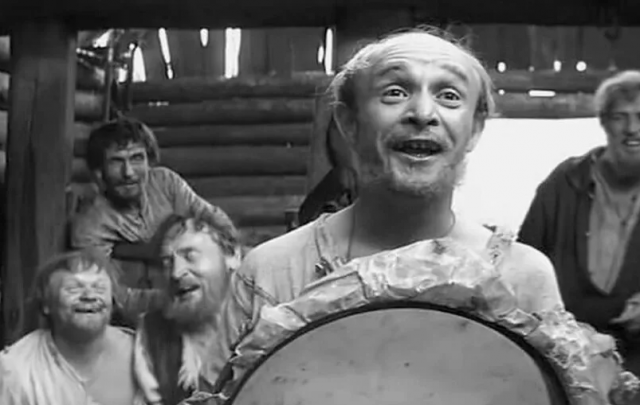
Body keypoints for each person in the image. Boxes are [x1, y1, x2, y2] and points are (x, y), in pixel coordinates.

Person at [213, 27, 575, 380]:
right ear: (349, 122)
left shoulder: (521, 278)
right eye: (395, 92)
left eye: (449, 96)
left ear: (475, 128)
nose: (423, 112)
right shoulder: (273, 274)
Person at [518, 70, 640, 377]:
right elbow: (522, 264)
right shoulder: (566, 182)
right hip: (564, 355)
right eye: (620, 117)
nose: (632, 129)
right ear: (604, 122)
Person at [69, 117, 237, 324]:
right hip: (144, 319)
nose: (128, 173)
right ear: (99, 172)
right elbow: (111, 295)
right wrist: (182, 296)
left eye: (137, 158)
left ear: (149, 161)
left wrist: (231, 261)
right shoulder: (90, 225)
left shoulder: (165, 183)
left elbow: (213, 219)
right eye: (116, 162)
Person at [0, 249, 145, 405]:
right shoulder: (14, 370)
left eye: (100, 288)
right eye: (73, 289)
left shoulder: (143, 353)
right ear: (46, 303)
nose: (89, 296)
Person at [133, 213, 242, 405]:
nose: (176, 273)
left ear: (232, 255)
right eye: (167, 262)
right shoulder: (153, 333)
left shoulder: (263, 319)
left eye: (190, 256)